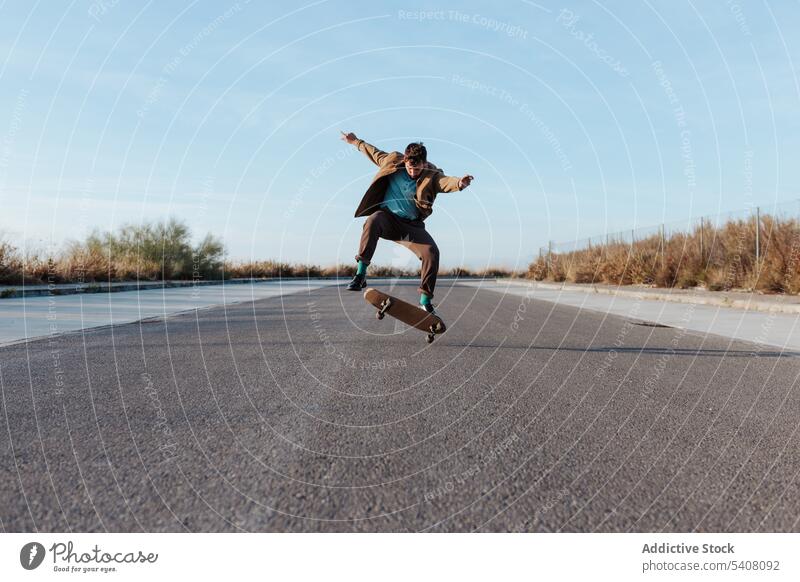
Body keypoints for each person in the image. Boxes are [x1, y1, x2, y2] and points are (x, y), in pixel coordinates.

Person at [340, 131, 474, 318]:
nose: (412, 173)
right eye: (410, 168)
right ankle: (360, 275)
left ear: (424, 164)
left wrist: (459, 183)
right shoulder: (393, 161)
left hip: (411, 227)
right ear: (405, 160)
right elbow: (374, 152)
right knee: (373, 219)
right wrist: (355, 141)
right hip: (387, 220)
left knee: (431, 253)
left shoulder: (432, 173)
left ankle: (425, 303)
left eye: (417, 169)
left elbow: (444, 182)